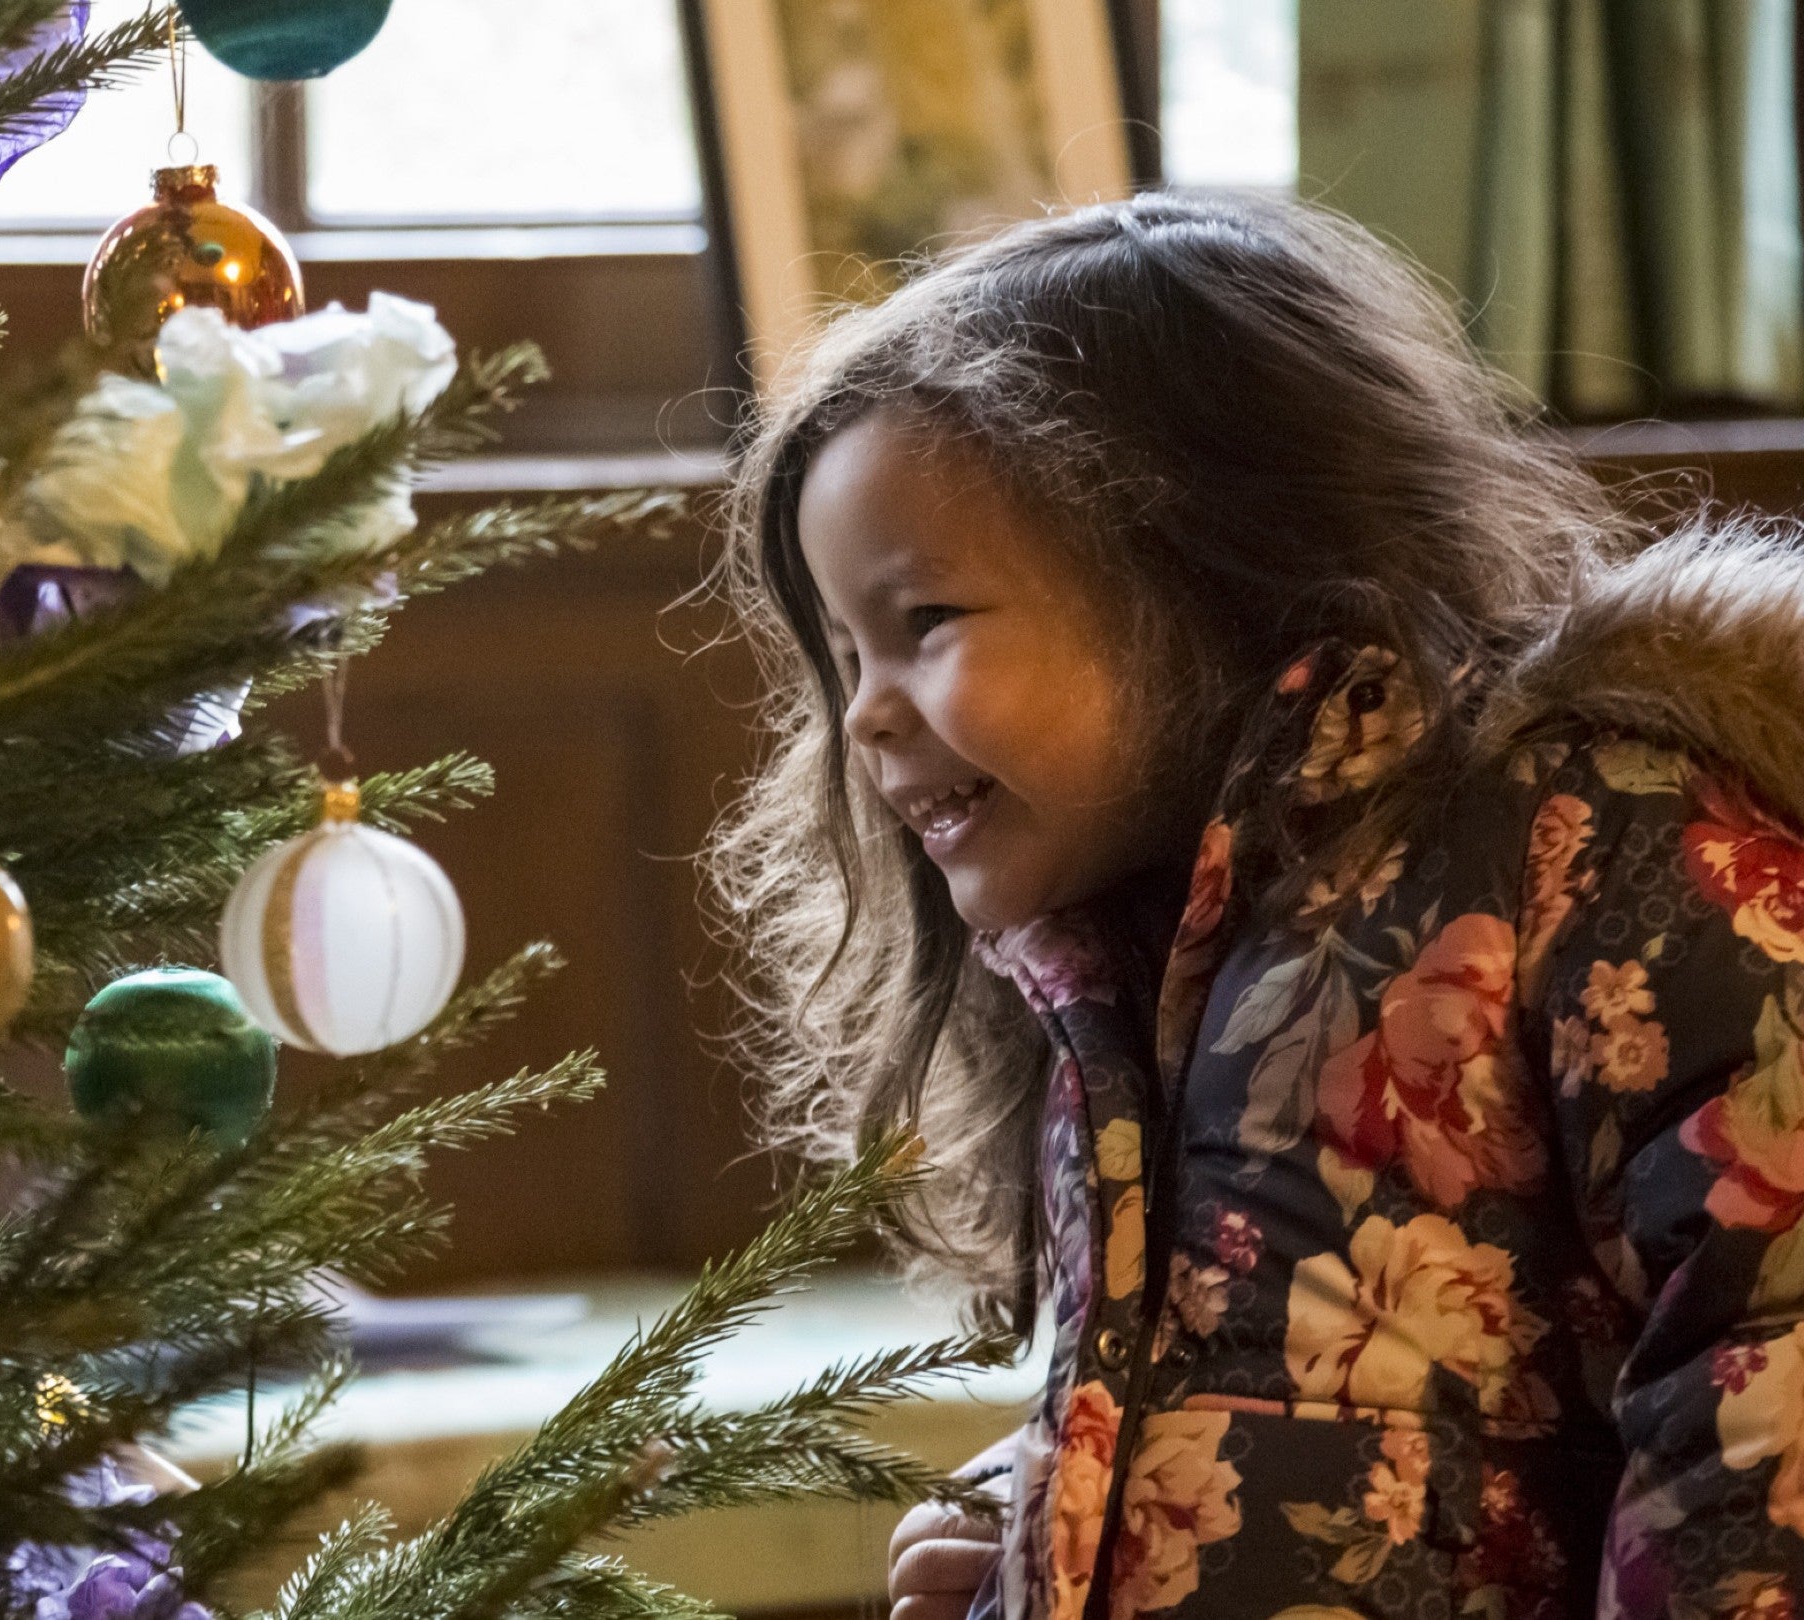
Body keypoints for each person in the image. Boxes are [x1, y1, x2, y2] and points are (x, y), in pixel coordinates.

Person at [707, 190, 1804, 1618]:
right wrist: (1054, 1516)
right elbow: (1308, 1398)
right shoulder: (1134, 978)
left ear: (1194, 567)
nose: (863, 719)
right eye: (845, 653)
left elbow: (1765, 1392)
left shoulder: (1595, 840)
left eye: (925, 626)